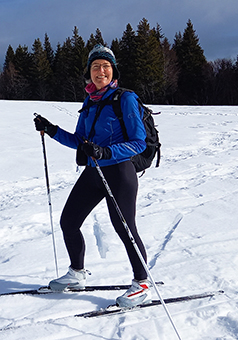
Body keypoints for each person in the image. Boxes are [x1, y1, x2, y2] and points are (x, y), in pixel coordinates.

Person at [33, 44, 150, 308]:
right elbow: (79, 141)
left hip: (120, 171)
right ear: (89, 73)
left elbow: (138, 142)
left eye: (106, 66)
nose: (101, 71)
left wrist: (105, 151)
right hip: (94, 172)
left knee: (125, 228)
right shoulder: (90, 101)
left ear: (113, 71)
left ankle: (142, 283)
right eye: (96, 67)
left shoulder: (125, 98)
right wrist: (51, 130)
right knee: (69, 221)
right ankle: (76, 274)